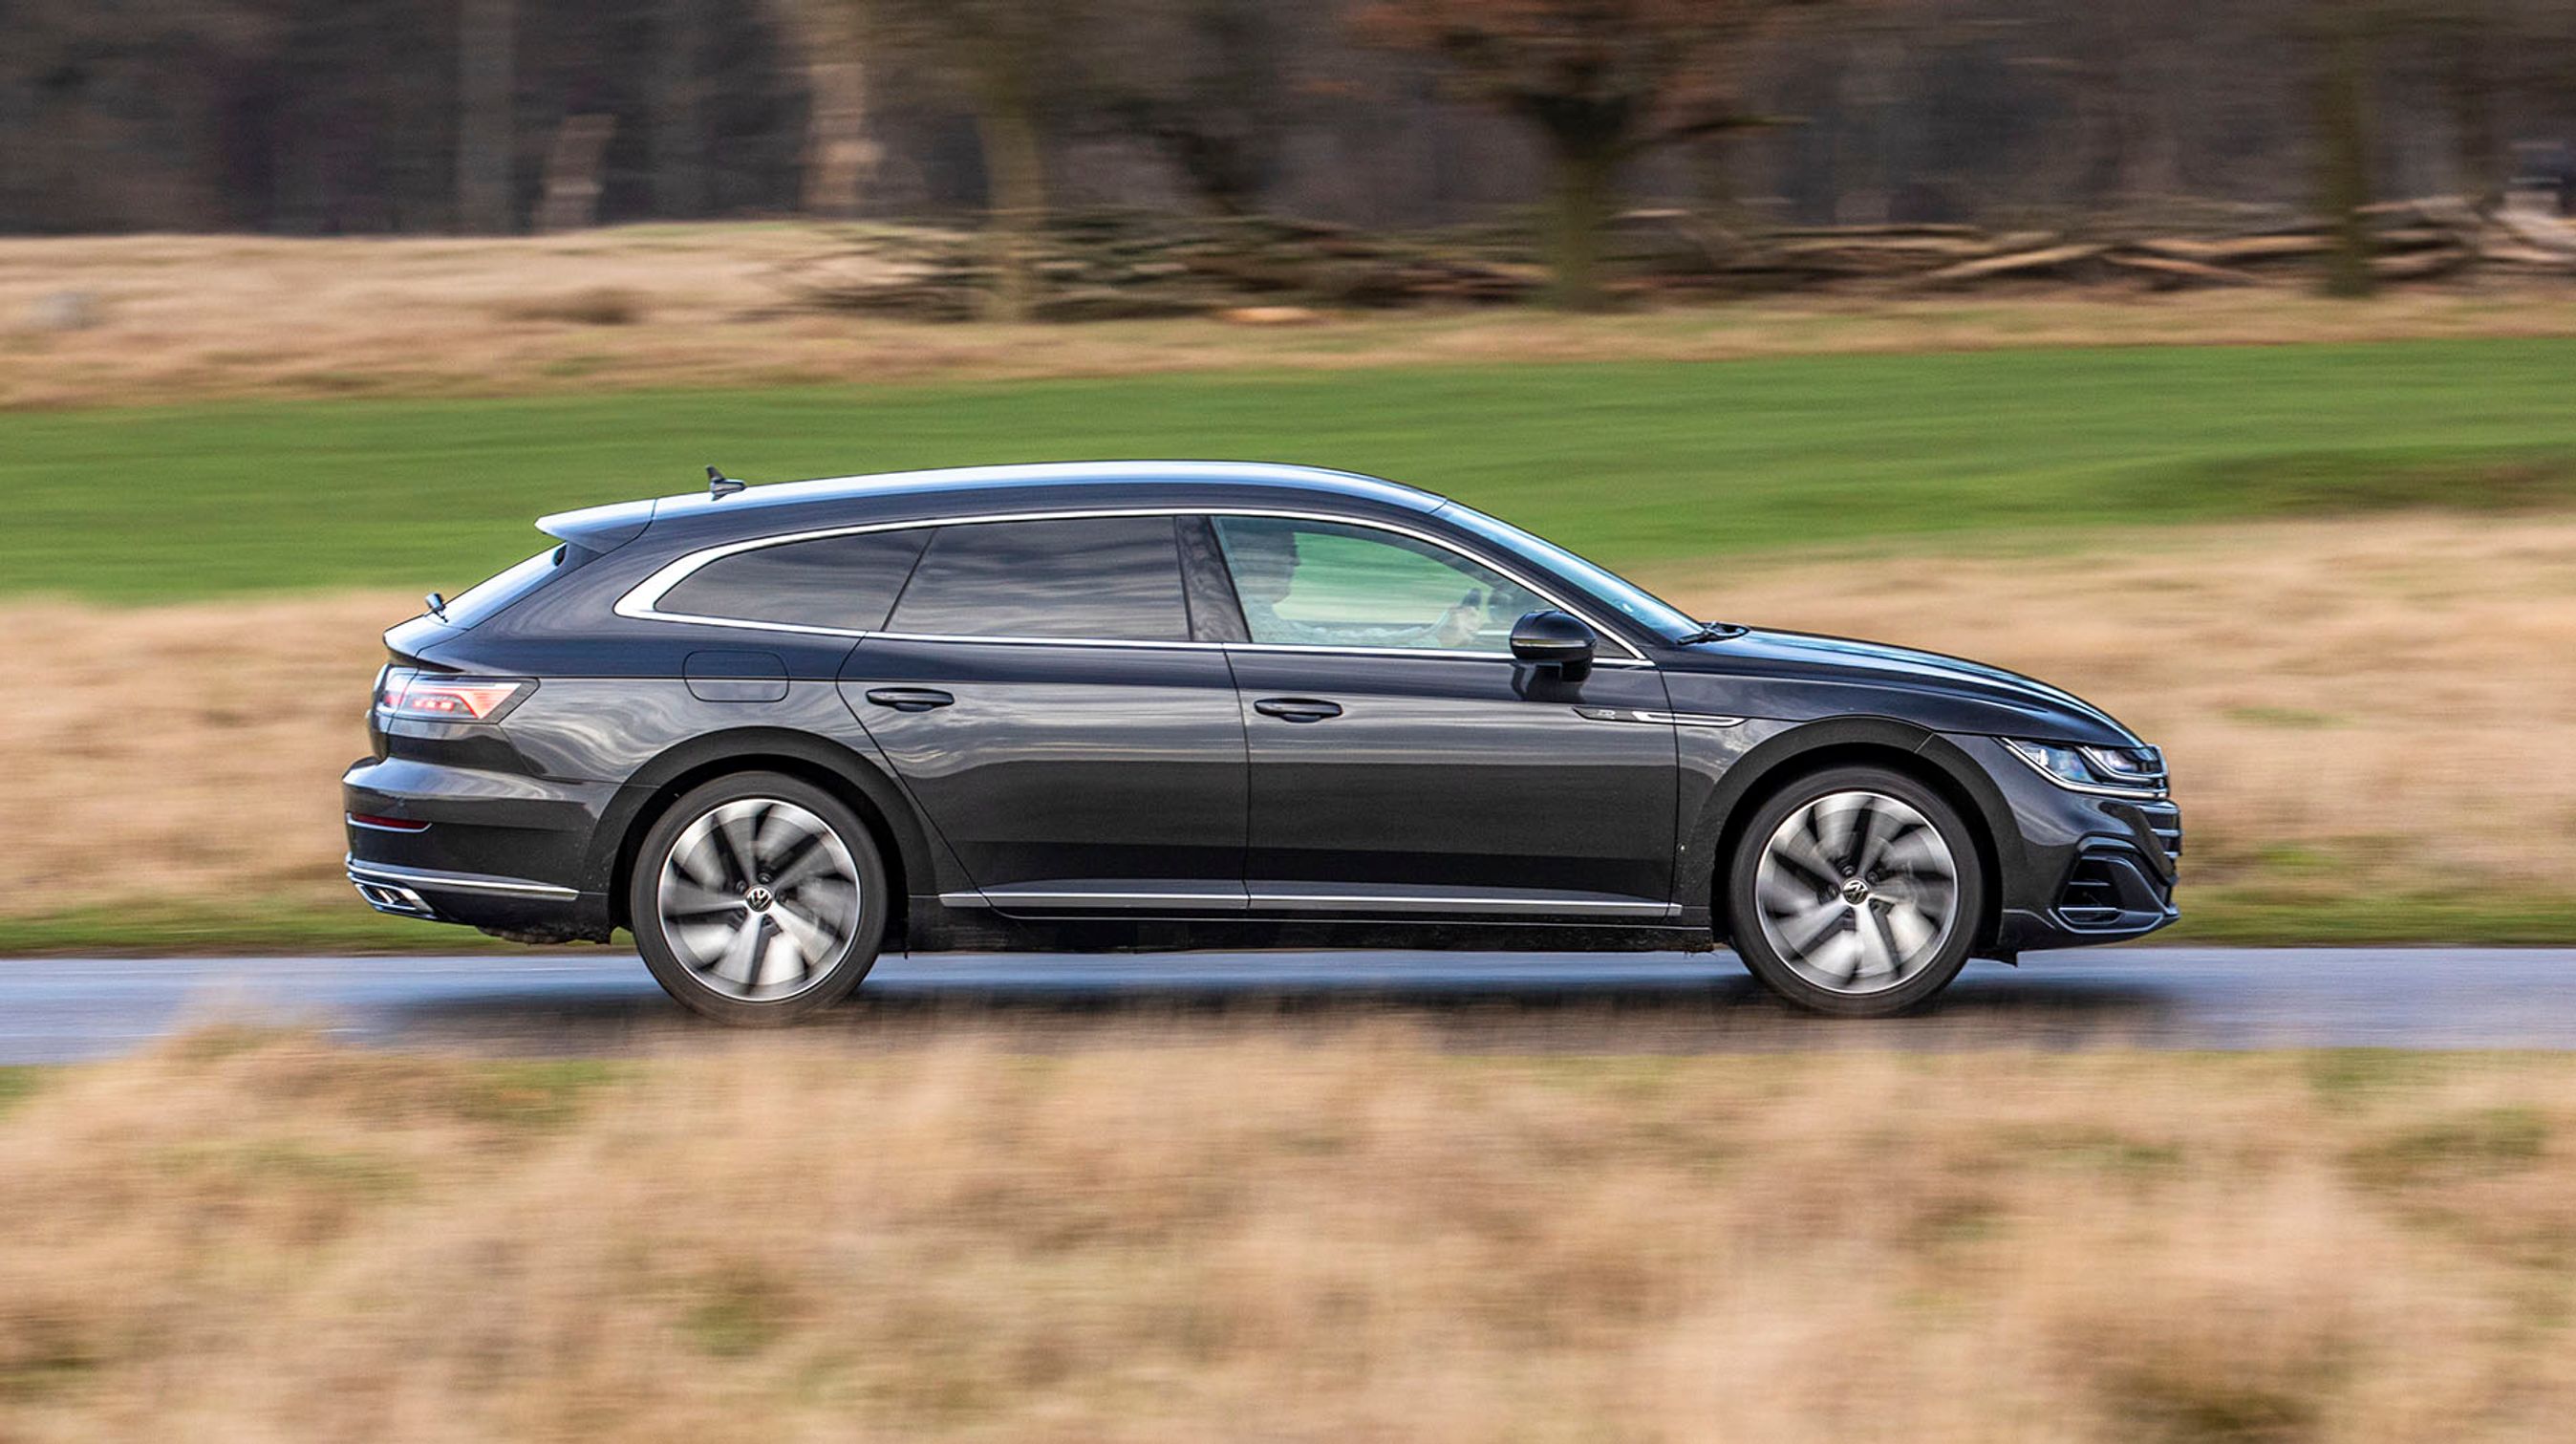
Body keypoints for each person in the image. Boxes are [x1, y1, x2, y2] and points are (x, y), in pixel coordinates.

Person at [1223, 523, 1492, 650]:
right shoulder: (1247, 621)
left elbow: (1328, 640)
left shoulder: (1242, 612)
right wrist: (1440, 640)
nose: (1297, 561)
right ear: (1248, 554)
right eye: (1287, 550)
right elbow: (1322, 653)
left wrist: (1428, 634)